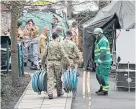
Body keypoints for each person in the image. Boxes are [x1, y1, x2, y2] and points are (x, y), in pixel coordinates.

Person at [41, 33, 70, 99]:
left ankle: (50, 93)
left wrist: (42, 63)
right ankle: (59, 92)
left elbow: (44, 54)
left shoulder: (49, 44)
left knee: (50, 78)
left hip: (50, 63)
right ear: (57, 37)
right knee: (58, 78)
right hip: (57, 63)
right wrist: (69, 63)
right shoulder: (59, 44)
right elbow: (64, 54)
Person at [93, 28, 112, 95]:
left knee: (103, 77)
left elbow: (103, 53)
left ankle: (105, 91)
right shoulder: (98, 40)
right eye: (95, 35)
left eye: (96, 34)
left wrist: (98, 61)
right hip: (100, 62)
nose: (95, 36)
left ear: (100, 34)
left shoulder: (103, 41)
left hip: (104, 62)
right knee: (98, 76)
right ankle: (102, 88)